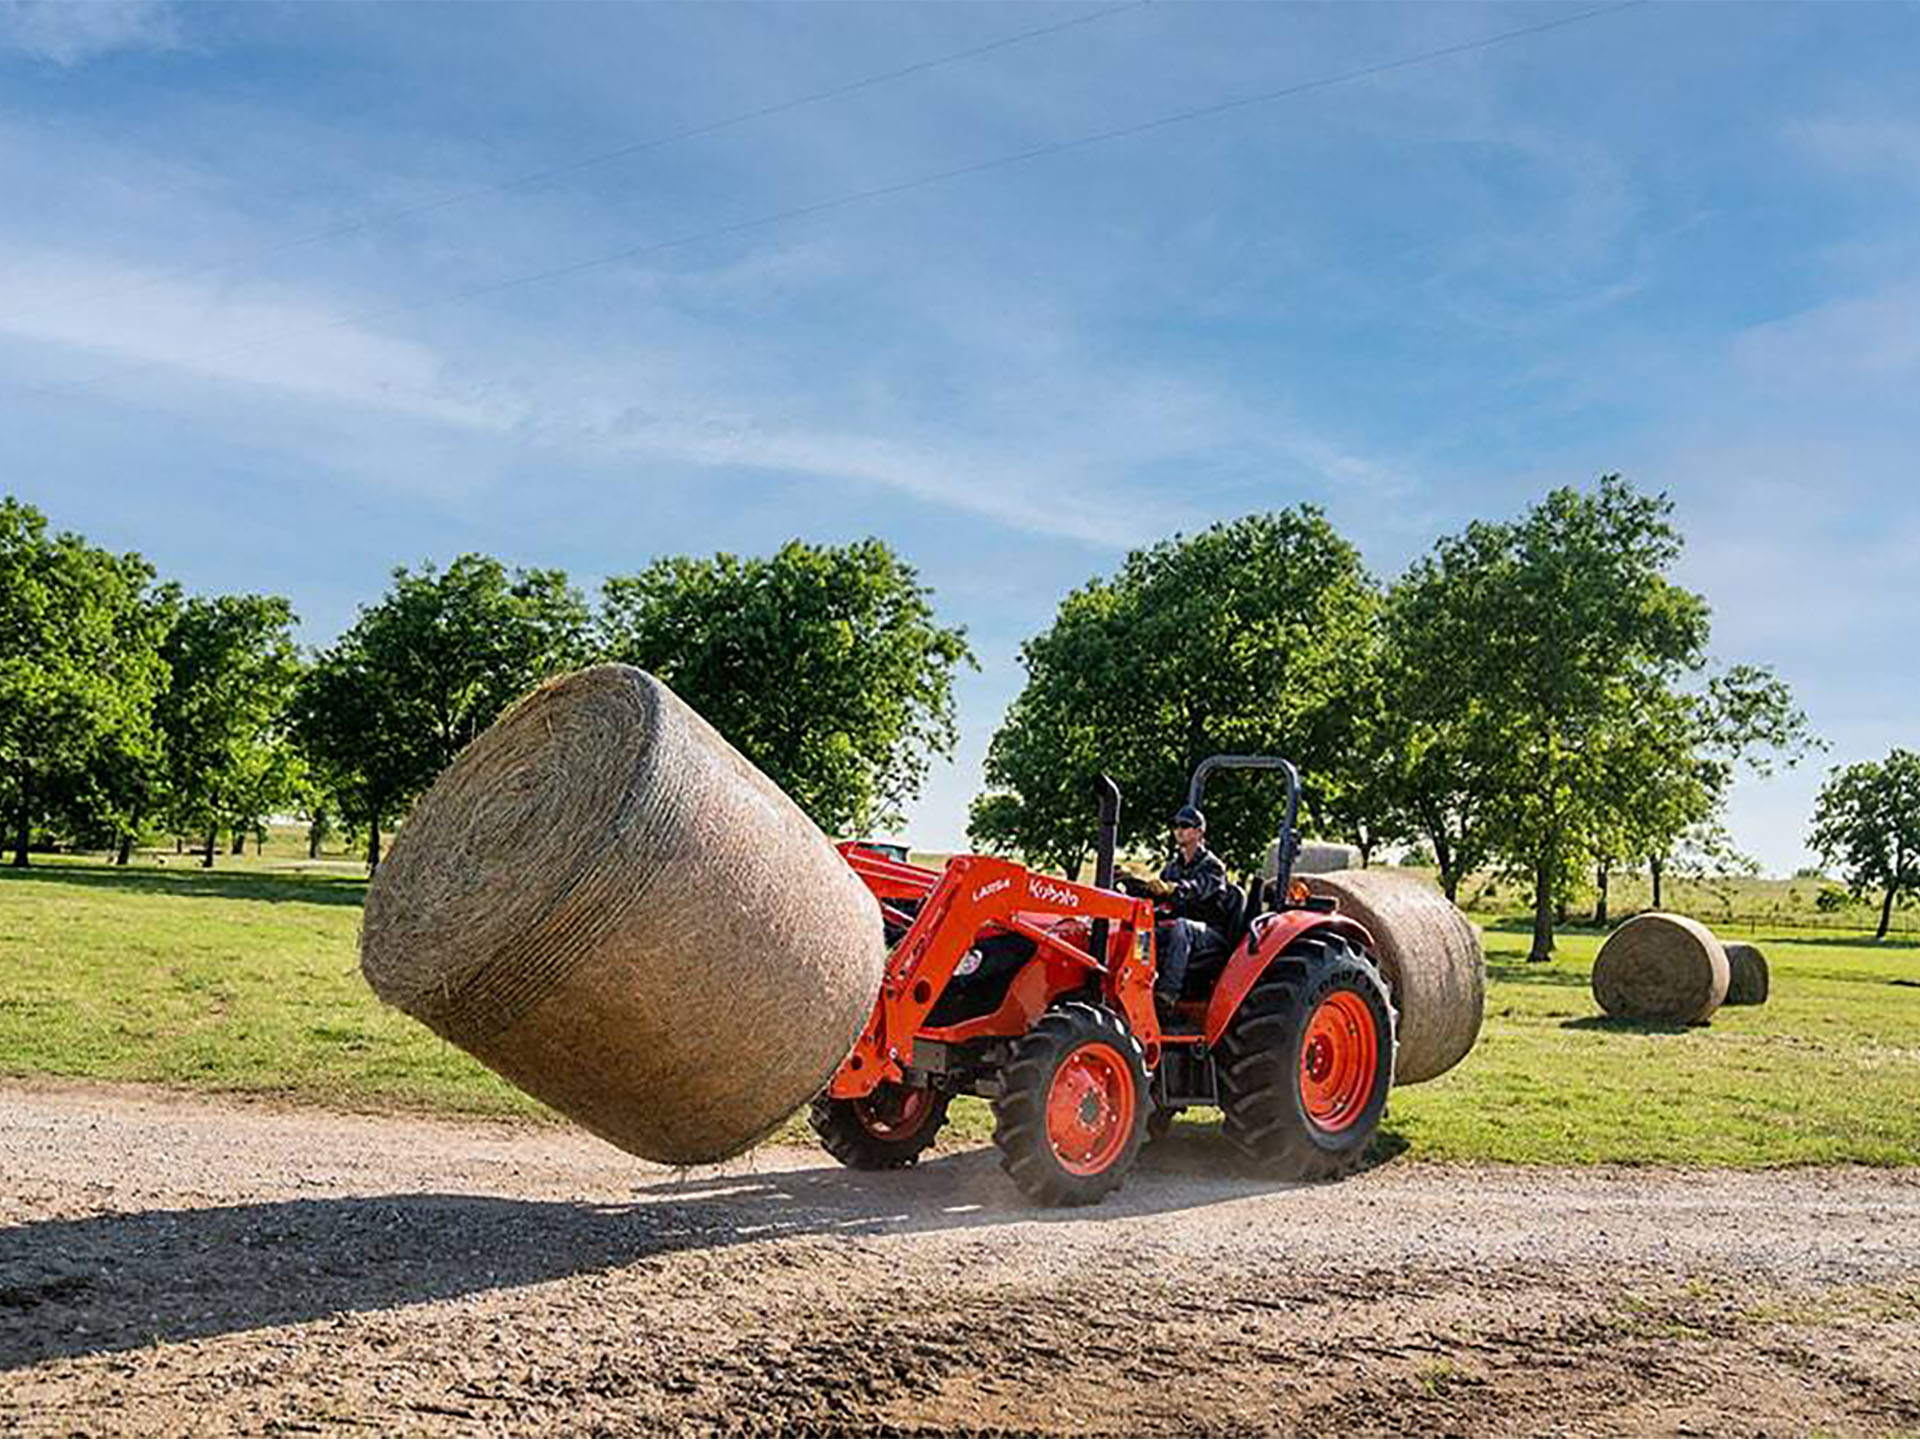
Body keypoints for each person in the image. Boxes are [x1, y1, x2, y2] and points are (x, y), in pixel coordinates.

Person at [1122, 804, 1231, 1011]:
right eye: (1175, 825)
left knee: (1182, 927)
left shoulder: (1213, 866)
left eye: (1185, 825)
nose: (1178, 830)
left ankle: (1167, 995)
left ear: (1199, 832)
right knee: (1143, 931)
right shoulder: (1172, 867)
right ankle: (1136, 985)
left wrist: (1173, 888)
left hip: (1210, 934)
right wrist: (1140, 887)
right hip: (1178, 929)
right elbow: (1161, 900)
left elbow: (1199, 889)